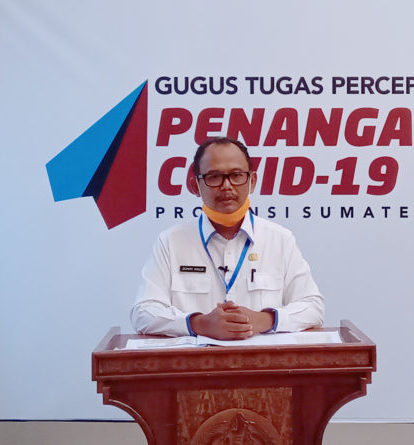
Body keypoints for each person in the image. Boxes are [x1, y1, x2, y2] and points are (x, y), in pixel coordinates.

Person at [131, 137, 324, 339]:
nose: (227, 186)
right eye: (214, 177)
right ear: (195, 186)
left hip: (262, 358)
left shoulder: (280, 239)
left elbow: (313, 307)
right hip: (196, 359)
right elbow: (143, 312)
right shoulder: (171, 242)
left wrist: (264, 320)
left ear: (252, 181)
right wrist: (199, 324)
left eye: (236, 175)